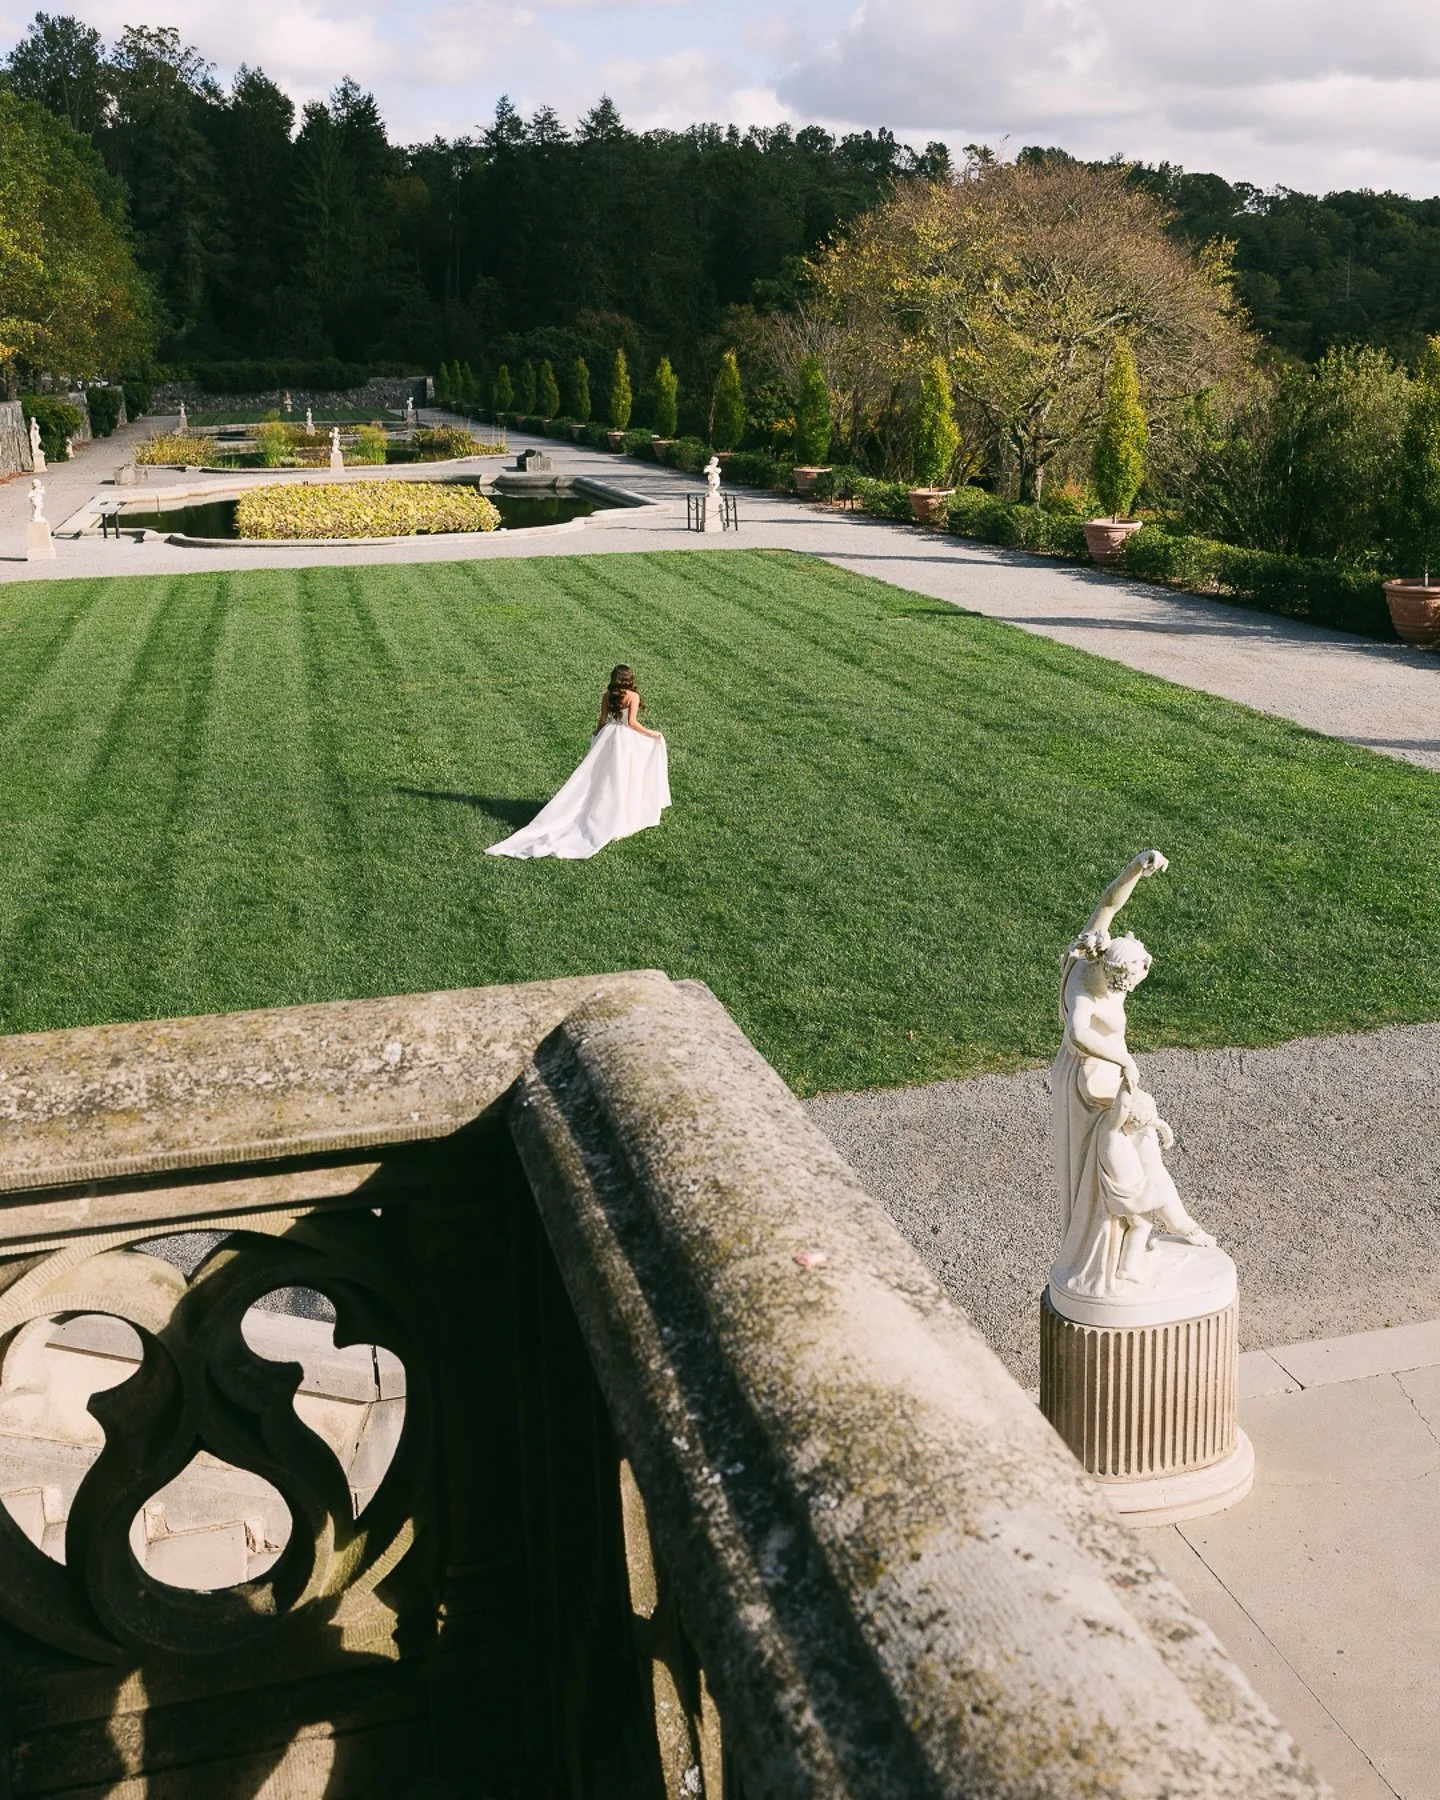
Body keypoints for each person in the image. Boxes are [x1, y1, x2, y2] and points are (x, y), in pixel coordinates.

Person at [1051, 851, 1215, 1300]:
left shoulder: (1097, 948)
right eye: (1143, 969)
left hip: (1107, 1077)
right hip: (1093, 1082)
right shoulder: (1088, 987)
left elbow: (1109, 902)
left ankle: (1140, 1240)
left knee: (1136, 1155)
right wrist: (1123, 1063)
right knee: (1118, 1167)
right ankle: (1115, 1254)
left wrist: (1137, 869)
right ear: (1123, 979)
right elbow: (1078, 1033)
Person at [485, 665, 670, 860]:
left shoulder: (608, 695)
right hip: (625, 741)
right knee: (622, 776)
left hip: (608, 737)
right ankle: (620, 812)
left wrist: (597, 738)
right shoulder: (632, 696)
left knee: (603, 776)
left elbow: (602, 721)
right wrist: (651, 734)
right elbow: (631, 723)